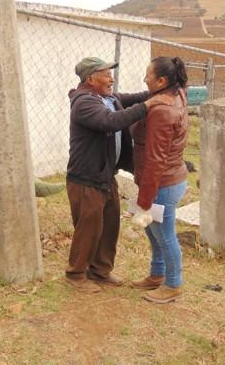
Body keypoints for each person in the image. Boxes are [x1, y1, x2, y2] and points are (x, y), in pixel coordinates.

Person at [65, 57, 172, 293]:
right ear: (91, 78)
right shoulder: (84, 103)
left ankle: (100, 272)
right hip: (86, 179)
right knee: (89, 227)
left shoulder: (108, 98)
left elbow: (132, 98)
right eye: (105, 74)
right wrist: (148, 105)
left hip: (105, 175)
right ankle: (76, 274)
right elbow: (110, 121)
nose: (111, 78)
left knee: (110, 224)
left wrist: (159, 92)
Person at [130, 56, 189, 304]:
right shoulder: (176, 94)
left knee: (164, 234)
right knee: (153, 233)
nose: (145, 79)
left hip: (162, 183)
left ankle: (173, 283)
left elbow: (156, 159)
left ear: (162, 80)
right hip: (169, 179)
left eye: (148, 75)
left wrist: (145, 199)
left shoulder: (162, 112)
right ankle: (157, 274)